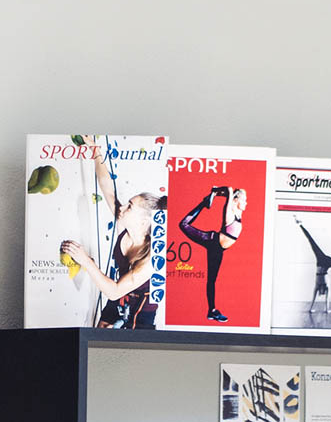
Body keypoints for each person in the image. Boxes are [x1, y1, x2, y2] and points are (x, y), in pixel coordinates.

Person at [60, 136, 166, 329]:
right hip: (118, 302)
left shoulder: (153, 258)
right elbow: (107, 186)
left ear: (144, 221)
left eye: (130, 206)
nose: (122, 207)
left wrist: (86, 261)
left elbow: (114, 291)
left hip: (140, 313)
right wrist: (96, 150)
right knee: (96, 341)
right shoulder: (124, 226)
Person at [178, 185, 247, 322]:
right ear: (236, 200)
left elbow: (230, 194)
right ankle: (203, 204)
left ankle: (211, 311)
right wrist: (216, 191)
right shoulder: (230, 213)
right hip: (212, 240)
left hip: (219, 249)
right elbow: (229, 189)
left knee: (212, 280)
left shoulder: (238, 213)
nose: (246, 203)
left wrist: (217, 195)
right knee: (183, 225)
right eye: (244, 200)